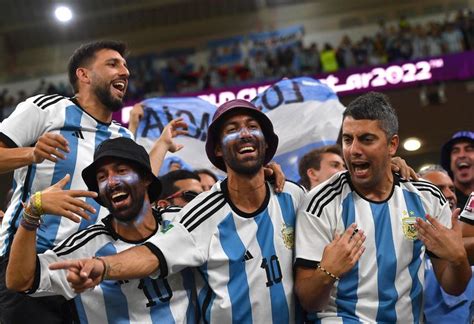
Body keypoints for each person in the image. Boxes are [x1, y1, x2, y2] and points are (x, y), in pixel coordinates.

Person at [50, 99, 307, 323]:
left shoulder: (294, 196)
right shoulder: (201, 214)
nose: (244, 134)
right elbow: (153, 255)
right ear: (217, 149)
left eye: (253, 127)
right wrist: (102, 266)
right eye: (232, 129)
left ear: (266, 142)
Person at [0, 40, 187, 323]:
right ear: (83, 75)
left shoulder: (121, 136)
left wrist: (161, 144)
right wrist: (32, 153)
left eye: (125, 66)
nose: (125, 72)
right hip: (30, 262)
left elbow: (140, 180)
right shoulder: (47, 109)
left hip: (89, 268)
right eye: (113, 64)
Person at [294, 92, 471, 323]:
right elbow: (308, 301)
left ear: (392, 145)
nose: (353, 150)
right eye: (348, 139)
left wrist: (458, 259)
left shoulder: (426, 197)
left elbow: (453, 287)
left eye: (366, 139)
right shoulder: (320, 202)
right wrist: (328, 271)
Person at [6, 137, 196, 323]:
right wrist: (31, 213)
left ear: (146, 178)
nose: (111, 182)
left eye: (121, 171)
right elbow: (19, 281)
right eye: (102, 177)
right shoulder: (87, 246)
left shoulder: (182, 221)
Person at [419, 165, 474, 323]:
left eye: (452, 189)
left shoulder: (468, 235)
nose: (450, 195)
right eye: (438, 189)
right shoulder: (407, 246)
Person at [440, 131, 474, 209]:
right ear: (450, 163)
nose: (461, 155)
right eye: (455, 151)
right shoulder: (442, 200)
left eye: (469, 149)